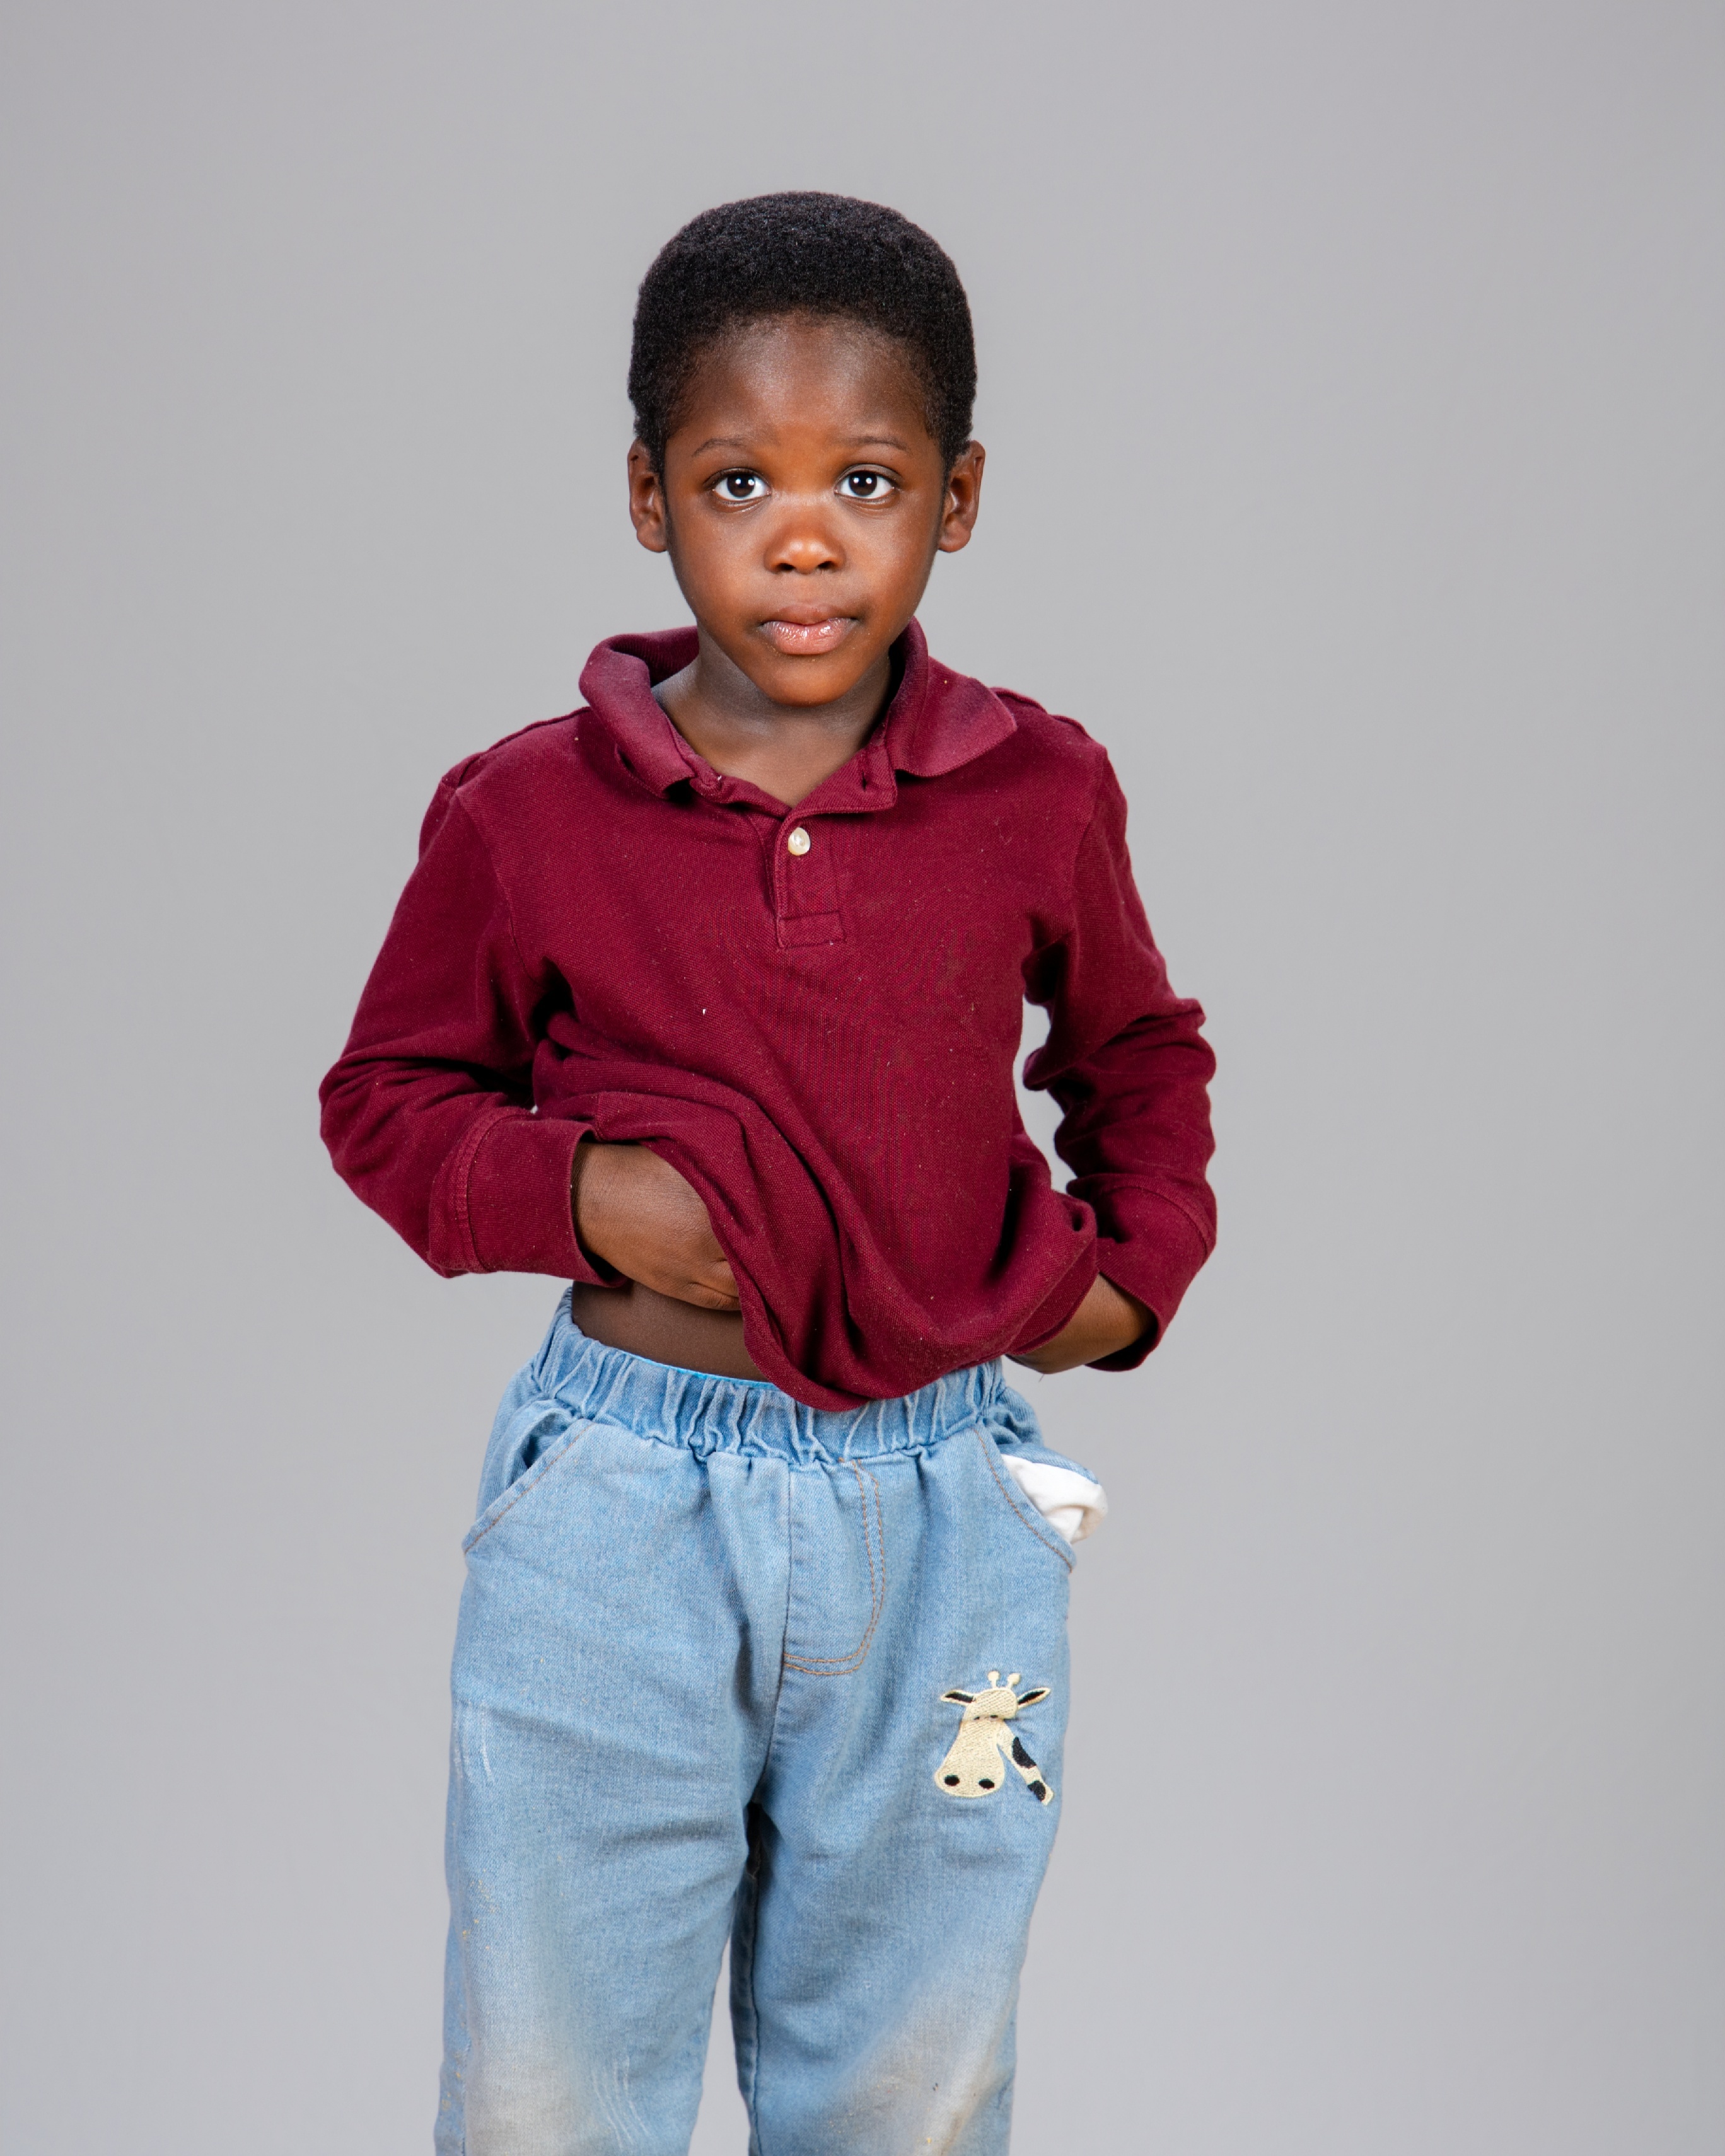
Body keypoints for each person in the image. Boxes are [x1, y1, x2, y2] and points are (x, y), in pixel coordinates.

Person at [320, 191, 1216, 2156]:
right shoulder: (527, 808)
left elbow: (1139, 1053)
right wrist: (585, 1198)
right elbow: (387, 1097)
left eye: (865, 481)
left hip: (950, 1520)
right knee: (550, 2085)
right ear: (650, 495)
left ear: (955, 500)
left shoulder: (1037, 790)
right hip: (617, 1512)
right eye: (740, 481)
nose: (804, 538)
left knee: (912, 2079)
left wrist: (1129, 1279)